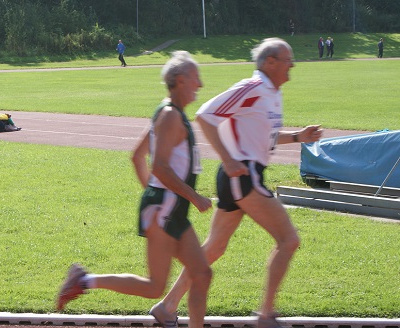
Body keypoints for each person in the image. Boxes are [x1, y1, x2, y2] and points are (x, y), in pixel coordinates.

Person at [149, 38, 323, 328]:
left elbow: (264, 136)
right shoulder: (252, 87)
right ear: (270, 62)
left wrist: (297, 136)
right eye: (287, 59)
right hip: (243, 176)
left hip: (241, 175)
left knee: (214, 248)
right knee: (289, 240)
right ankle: (266, 314)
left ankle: (167, 306)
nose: (292, 65)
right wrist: (229, 159)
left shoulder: (271, 93)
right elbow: (206, 114)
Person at [56, 51, 213, 328]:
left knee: (201, 274)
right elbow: (160, 167)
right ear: (179, 80)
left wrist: (152, 197)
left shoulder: (167, 112)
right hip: (166, 208)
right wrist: (190, 197)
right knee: (156, 286)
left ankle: (84, 279)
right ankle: (84, 280)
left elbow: (137, 157)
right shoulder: (170, 116)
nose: (200, 84)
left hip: (167, 208)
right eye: (195, 78)